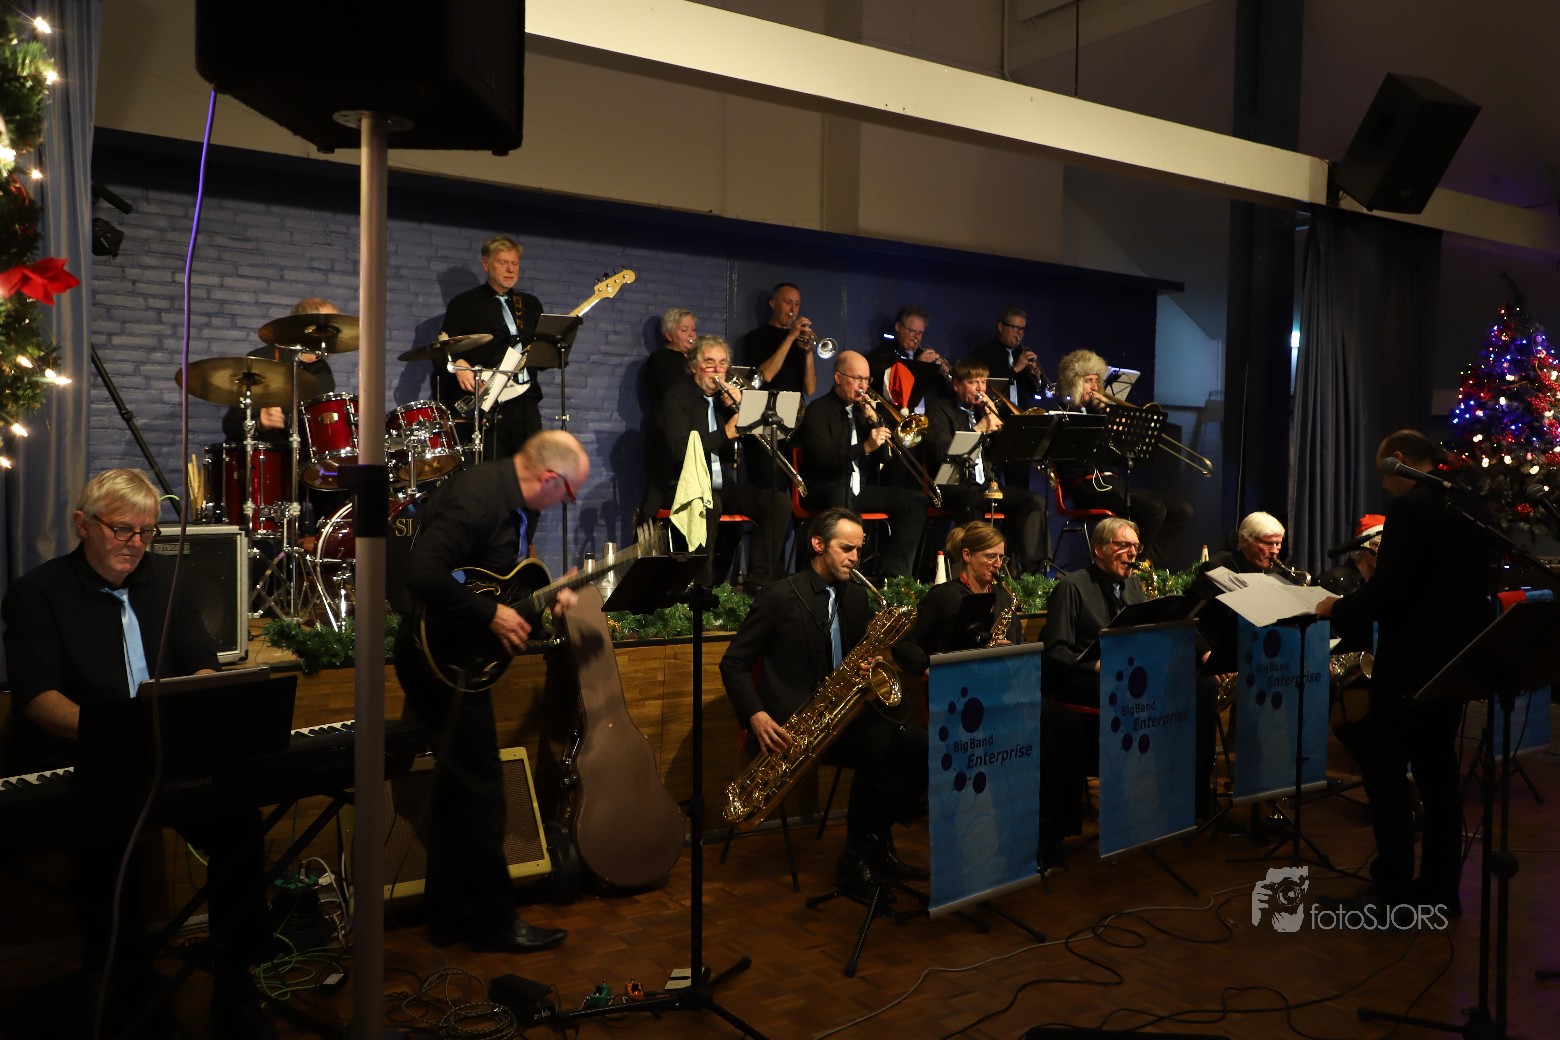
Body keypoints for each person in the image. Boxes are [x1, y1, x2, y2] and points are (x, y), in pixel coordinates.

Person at [1, 469, 276, 1039]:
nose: (135, 543)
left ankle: (235, 976)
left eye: (147, 532)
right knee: (106, 852)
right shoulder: (37, 594)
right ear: (83, 524)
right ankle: (130, 996)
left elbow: (202, 665)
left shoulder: (170, 580)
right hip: (84, 760)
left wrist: (196, 706)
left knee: (240, 828)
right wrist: (114, 735)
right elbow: (37, 698)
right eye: (122, 529)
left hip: (165, 755)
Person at [392, 431, 585, 954]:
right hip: (438, 655)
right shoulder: (478, 498)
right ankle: (495, 922)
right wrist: (489, 615)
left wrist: (546, 599)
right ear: (550, 478)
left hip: (461, 652)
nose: (565, 502)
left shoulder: (517, 504)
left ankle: (448, 917)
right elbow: (421, 571)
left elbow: (500, 583)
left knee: (460, 790)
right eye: (568, 493)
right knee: (481, 790)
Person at [1316, 430, 1493, 915]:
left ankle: (1391, 889)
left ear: (1398, 460)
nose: (1384, 485)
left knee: (1385, 772)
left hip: (1408, 665)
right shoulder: (1471, 506)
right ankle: (1440, 891)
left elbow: (1389, 593)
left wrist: (1336, 608)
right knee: (1438, 778)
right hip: (1453, 666)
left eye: (1383, 474)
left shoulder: (1412, 508)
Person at [720, 508, 929, 891]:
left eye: (859, 550)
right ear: (818, 544)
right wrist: (756, 715)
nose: (855, 558)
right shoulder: (778, 597)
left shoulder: (854, 597)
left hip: (839, 718)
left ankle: (876, 846)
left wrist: (866, 666)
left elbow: (850, 659)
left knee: (922, 746)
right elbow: (733, 663)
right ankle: (858, 858)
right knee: (880, 750)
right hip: (788, 728)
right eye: (846, 548)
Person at [891, 522, 1089, 854]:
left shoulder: (1002, 596)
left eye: (1001, 557)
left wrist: (1010, 649)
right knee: (1032, 728)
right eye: (990, 557)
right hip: (962, 698)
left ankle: (1054, 829)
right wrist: (928, 667)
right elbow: (904, 644)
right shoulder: (945, 597)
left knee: (1065, 723)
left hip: (1003, 693)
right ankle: (1019, 833)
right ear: (967, 555)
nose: (998, 565)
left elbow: (1020, 644)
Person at [1042, 517, 1220, 821]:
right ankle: (1132, 798)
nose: (1133, 553)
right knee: (1138, 692)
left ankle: (1193, 796)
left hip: (1129, 676)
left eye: (1136, 546)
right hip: (1085, 680)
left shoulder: (1133, 584)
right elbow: (1056, 651)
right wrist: (1096, 665)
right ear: (1099, 549)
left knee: (1203, 685)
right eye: (1123, 545)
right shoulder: (1072, 586)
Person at [640, 335, 790, 593]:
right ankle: (702, 591)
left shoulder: (726, 402)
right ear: (694, 366)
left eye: (722, 364)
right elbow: (680, 451)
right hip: (682, 487)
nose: (717, 370)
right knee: (709, 504)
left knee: (778, 503)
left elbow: (765, 443)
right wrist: (724, 433)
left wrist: (742, 408)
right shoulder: (676, 398)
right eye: (709, 363)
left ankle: (758, 585)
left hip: (721, 486)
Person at [1051, 348, 1194, 568]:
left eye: (1096, 381)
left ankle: (1148, 563)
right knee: (1154, 511)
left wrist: (1122, 432)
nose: (1094, 387)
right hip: (1087, 489)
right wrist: (1106, 426)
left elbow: (1118, 456)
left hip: (1112, 485)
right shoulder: (1063, 415)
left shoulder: (1098, 412)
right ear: (1073, 382)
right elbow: (1077, 460)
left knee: (1182, 510)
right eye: (1088, 381)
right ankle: (1136, 565)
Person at [795, 349, 929, 578]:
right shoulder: (818, 411)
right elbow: (824, 459)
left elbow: (884, 458)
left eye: (867, 379)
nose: (863, 386)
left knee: (916, 501)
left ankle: (894, 576)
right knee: (841, 494)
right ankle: (840, 573)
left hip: (859, 489)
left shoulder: (862, 412)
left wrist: (875, 422)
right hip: (824, 487)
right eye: (857, 378)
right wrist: (865, 446)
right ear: (838, 378)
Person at [922, 357, 1048, 573]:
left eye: (983, 382)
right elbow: (941, 454)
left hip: (988, 486)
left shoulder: (986, 412)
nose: (980, 388)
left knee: (1034, 501)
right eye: (973, 382)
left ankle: (1033, 572)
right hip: (952, 486)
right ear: (957, 385)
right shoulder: (940, 410)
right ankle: (978, 569)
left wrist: (997, 424)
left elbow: (1007, 456)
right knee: (971, 497)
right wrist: (978, 429)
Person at [439, 235, 545, 464]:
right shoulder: (464, 304)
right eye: (502, 262)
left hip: (526, 403)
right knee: (493, 472)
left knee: (534, 468)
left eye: (514, 263)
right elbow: (444, 347)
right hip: (490, 403)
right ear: (486, 264)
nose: (510, 269)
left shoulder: (530, 305)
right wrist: (459, 364)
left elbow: (543, 357)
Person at [866, 305, 953, 415]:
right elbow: (890, 387)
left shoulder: (925, 354)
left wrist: (943, 372)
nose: (916, 337)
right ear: (898, 327)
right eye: (912, 331)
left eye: (920, 333)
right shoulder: (881, 355)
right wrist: (918, 366)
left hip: (929, 418)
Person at [740, 282, 817, 397]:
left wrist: (809, 352)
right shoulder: (756, 337)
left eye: (797, 304)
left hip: (795, 406)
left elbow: (810, 389)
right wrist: (790, 337)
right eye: (788, 302)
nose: (793, 309)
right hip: (767, 404)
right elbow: (766, 376)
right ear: (773, 304)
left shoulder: (800, 340)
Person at [969, 306, 1048, 412]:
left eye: (1023, 329)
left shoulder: (1022, 354)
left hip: (1022, 413)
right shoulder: (983, 352)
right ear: (1001, 327)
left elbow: (1038, 394)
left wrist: (1037, 378)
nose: (1020, 333)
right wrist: (1015, 369)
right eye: (1016, 328)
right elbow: (989, 387)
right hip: (995, 413)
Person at [1317, 514, 1384, 597]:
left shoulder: (1381, 584)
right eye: (1376, 544)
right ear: (1363, 545)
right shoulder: (1334, 579)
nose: (1382, 550)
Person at [645, 307, 699, 400]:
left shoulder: (695, 358)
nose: (692, 335)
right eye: (684, 330)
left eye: (693, 329)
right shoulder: (660, 359)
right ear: (669, 336)